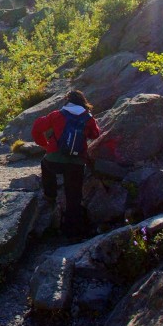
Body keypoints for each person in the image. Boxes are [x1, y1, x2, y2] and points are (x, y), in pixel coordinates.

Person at [31, 90, 100, 235]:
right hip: (77, 163)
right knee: (73, 197)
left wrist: (45, 145)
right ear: (83, 102)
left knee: (45, 164)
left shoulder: (57, 114)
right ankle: (72, 231)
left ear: (67, 102)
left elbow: (37, 128)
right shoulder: (88, 118)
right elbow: (95, 134)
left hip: (54, 159)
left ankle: (50, 195)